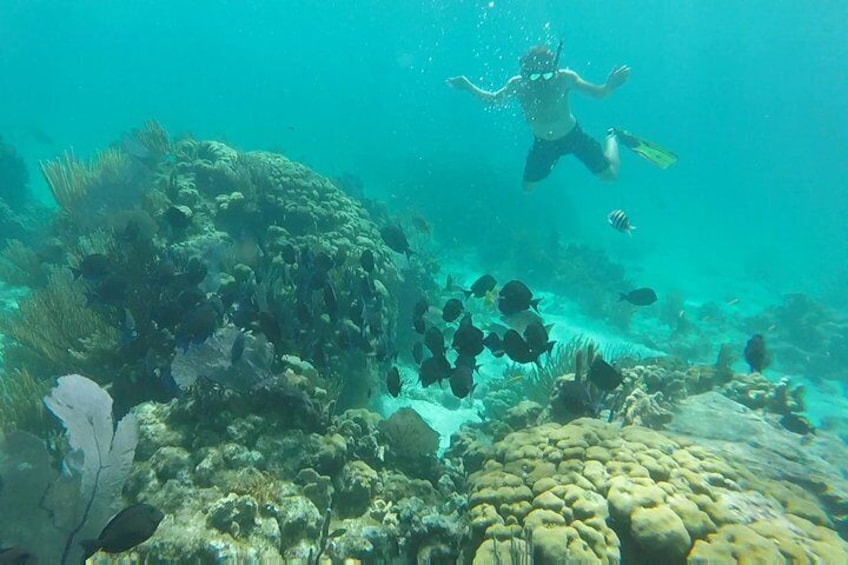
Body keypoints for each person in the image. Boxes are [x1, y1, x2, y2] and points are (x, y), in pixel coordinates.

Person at [447, 42, 630, 192]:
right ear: (525, 73)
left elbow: (599, 94)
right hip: (543, 144)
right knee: (527, 189)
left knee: (610, 176)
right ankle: (554, 161)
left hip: (573, 136)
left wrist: (609, 85)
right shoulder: (518, 85)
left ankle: (613, 137)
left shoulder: (564, 78)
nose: (543, 80)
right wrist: (467, 86)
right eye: (535, 76)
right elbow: (494, 101)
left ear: (554, 68)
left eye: (548, 74)